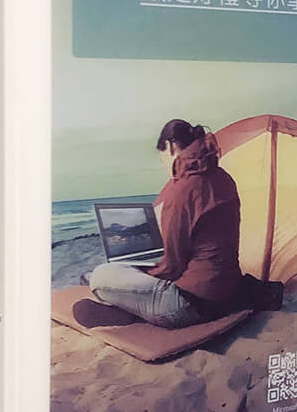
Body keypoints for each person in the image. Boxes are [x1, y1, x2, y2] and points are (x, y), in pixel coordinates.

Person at [87, 119, 244, 329]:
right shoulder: (223, 177)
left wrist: (142, 270)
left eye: (162, 159)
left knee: (100, 276)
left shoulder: (183, 190)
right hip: (228, 290)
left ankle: (128, 310)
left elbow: (172, 267)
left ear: (170, 147)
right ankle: (128, 296)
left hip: (192, 303)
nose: (164, 166)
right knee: (122, 269)